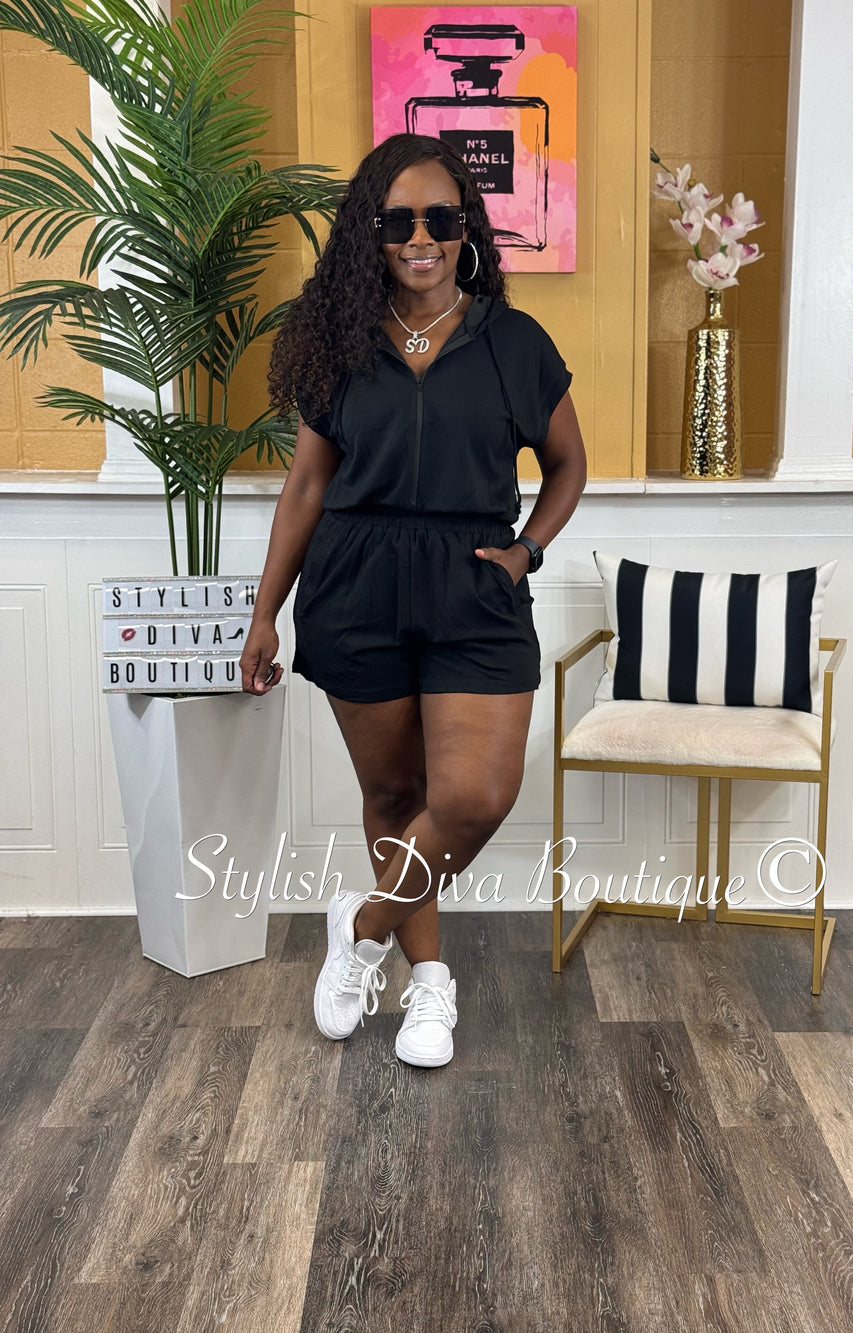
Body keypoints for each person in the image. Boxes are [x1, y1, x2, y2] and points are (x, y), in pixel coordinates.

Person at [240, 133, 587, 1068]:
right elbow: (306, 486)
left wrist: (525, 552)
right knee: (395, 795)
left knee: (473, 795)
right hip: (356, 582)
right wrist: (266, 612)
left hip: (476, 584)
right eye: (399, 221)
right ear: (372, 233)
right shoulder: (338, 342)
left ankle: (360, 928)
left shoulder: (515, 342)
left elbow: (567, 465)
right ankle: (428, 981)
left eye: (440, 218)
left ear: (467, 229)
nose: (421, 237)